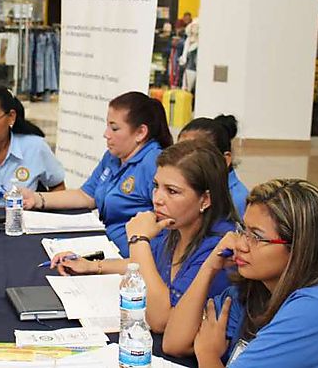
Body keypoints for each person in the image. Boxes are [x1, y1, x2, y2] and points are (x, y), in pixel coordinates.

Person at [162, 179, 318, 367]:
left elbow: (204, 349)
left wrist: (207, 354)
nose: (240, 245)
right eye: (242, 230)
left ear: (299, 247)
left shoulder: (317, 308)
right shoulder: (256, 287)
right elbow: (174, 343)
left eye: (256, 236)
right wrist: (208, 268)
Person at [51, 140, 240, 333]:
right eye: (156, 186)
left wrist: (138, 240)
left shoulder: (219, 246)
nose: (157, 199)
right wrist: (93, 266)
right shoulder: (177, 226)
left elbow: (160, 320)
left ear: (205, 200)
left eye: (172, 191)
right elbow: (146, 265)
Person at [21, 92, 173, 256]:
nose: (106, 134)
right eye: (107, 126)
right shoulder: (114, 156)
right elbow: (86, 195)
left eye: (114, 128)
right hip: (106, 244)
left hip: (132, 256)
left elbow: (167, 222)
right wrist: (37, 199)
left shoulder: (155, 163)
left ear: (140, 133)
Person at [178, 115, 249, 217]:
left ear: (224, 160)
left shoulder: (237, 201)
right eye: (178, 152)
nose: (181, 161)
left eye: (195, 156)